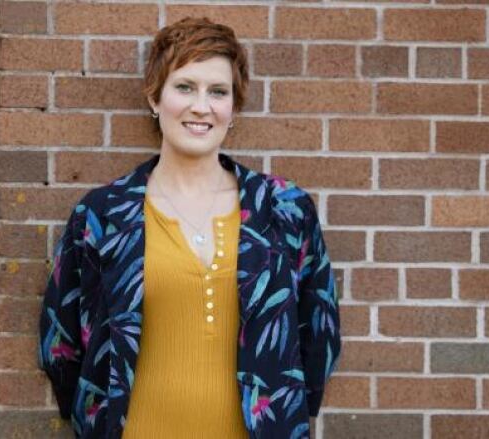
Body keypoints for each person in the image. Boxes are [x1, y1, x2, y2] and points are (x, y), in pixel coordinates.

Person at [38, 16, 341, 439]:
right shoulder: (102, 215)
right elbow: (61, 342)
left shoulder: (285, 210)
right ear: (154, 97)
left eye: (218, 92)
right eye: (185, 87)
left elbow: (319, 333)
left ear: (233, 108)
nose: (202, 106)